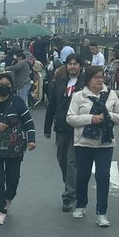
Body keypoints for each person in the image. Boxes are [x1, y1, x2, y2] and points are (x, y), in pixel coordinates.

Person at [66, 65, 119, 226]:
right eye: (96, 77)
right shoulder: (78, 96)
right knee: (83, 175)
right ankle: (81, 204)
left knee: (103, 176)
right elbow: (70, 118)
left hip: (105, 143)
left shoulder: (111, 95)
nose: (100, 80)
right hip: (83, 144)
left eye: (101, 77)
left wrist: (108, 116)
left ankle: (102, 212)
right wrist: (90, 118)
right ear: (88, 80)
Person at [0, 72, 35, 225]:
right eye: (0, 84)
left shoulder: (17, 102)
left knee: (13, 178)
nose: (4, 87)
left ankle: (8, 198)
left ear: (11, 87)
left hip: (14, 147)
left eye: (7, 84)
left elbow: (28, 122)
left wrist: (31, 140)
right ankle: (0, 210)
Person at [44, 54, 82, 211]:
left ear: (80, 66)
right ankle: (73, 185)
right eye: (70, 64)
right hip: (61, 128)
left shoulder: (85, 84)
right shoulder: (60, 84)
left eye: (75, 64)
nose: (72, 67)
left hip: (79, 128)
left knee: (72, 162)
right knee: (62, 160)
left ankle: (69, 196)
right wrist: (47, 128)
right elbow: (52, 105)